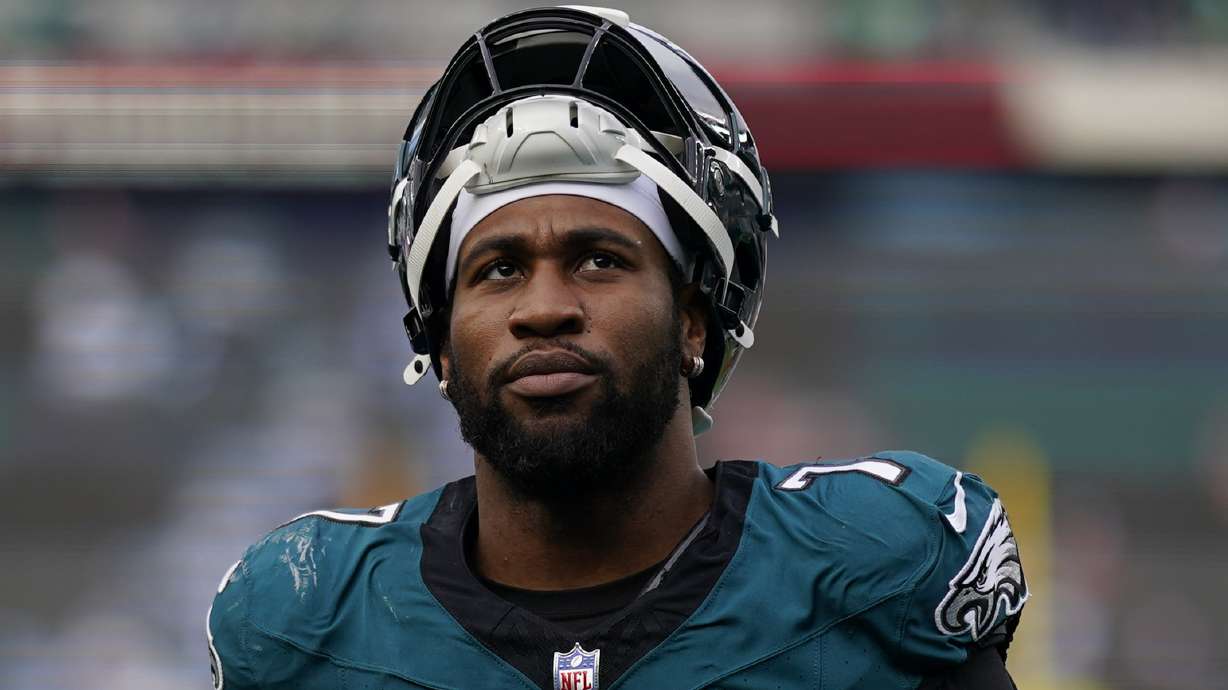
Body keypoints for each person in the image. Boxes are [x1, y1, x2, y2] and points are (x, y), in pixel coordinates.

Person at [207, 7, 1028, 689]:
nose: (544, 309)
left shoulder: (872, 572)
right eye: (499, 269)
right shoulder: (305, 621)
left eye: (599, 260)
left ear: (694, 319)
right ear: (441, 342)